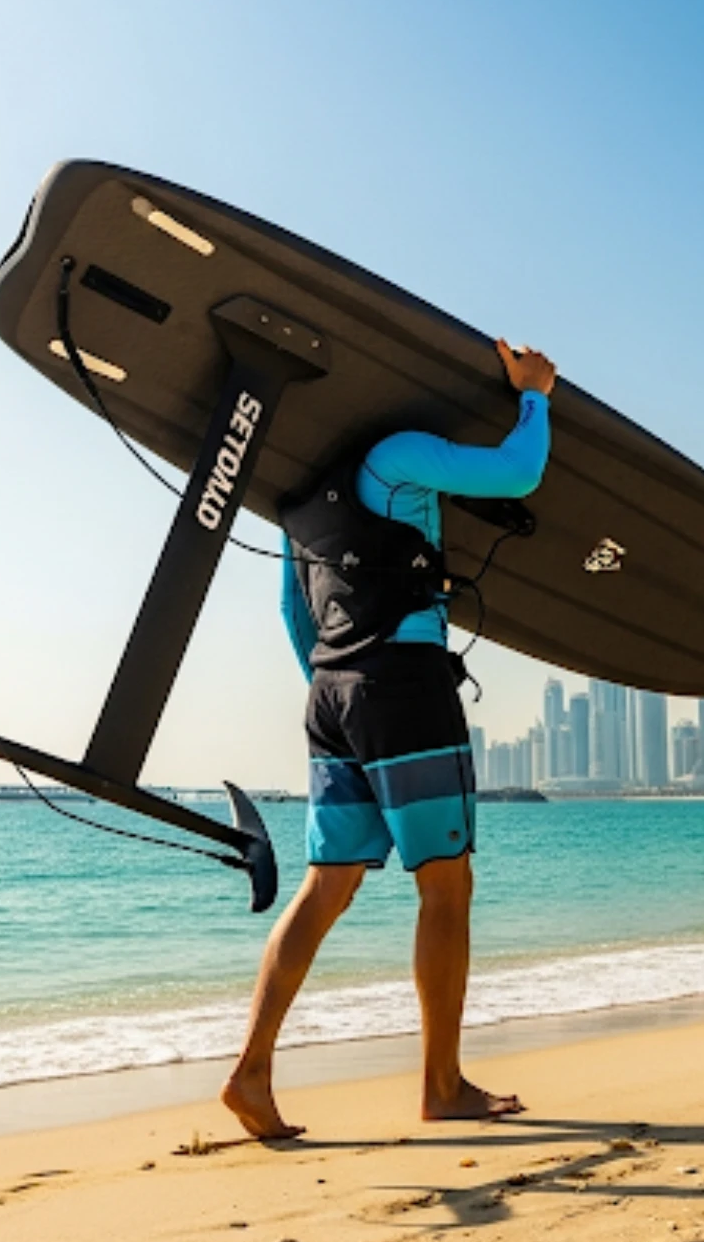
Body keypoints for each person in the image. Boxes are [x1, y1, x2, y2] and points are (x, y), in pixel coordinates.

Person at [221, 339, 557, 1140]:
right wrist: (536, 393)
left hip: (331, 694)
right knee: (446, 885)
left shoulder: (300, 504)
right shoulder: (397, 451)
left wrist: (344, 684)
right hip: (403, 685)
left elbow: (293, 617)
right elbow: (517, 474)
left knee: (325, 888)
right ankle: (442, 1085)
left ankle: (252, 1073)